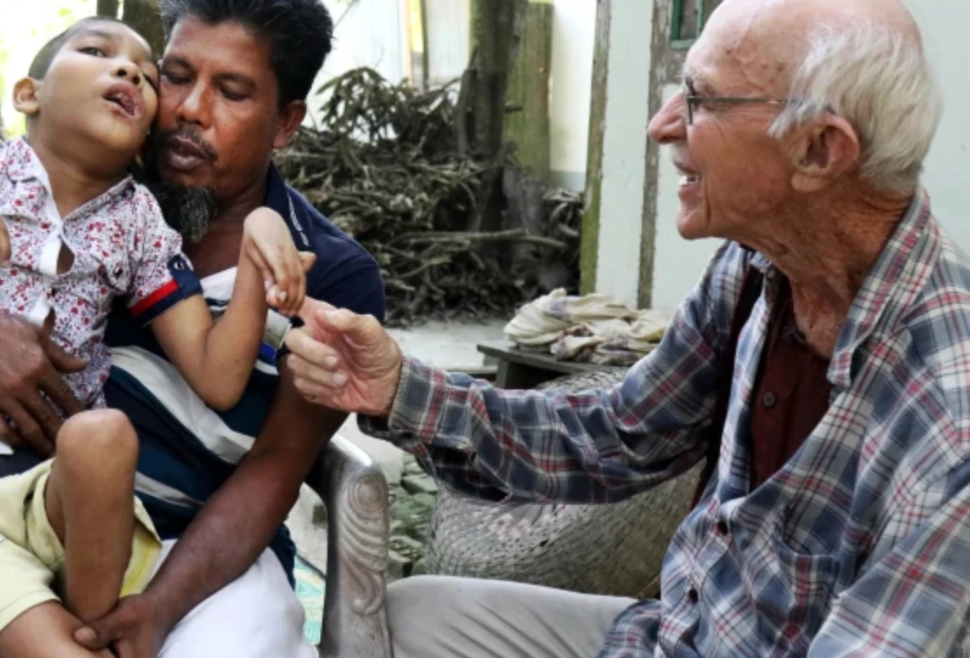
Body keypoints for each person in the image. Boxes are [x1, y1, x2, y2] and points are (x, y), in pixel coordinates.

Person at [285, 0, 970, 656]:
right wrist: (398, 388)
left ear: (819, 150)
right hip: (676, 635)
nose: (663, 123)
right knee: (410, 620)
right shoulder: (753, 271)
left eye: (700, 100)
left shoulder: (950, 408)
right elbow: (614, 437)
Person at [0, 1, 385, 657]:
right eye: (177, 75)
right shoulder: (86, 180)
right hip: (16, 513)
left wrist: (158, 610)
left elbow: (277, 464)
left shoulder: (327, 275)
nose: (190, 108)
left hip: (199, 561)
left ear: (285, 122)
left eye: (232, 91)